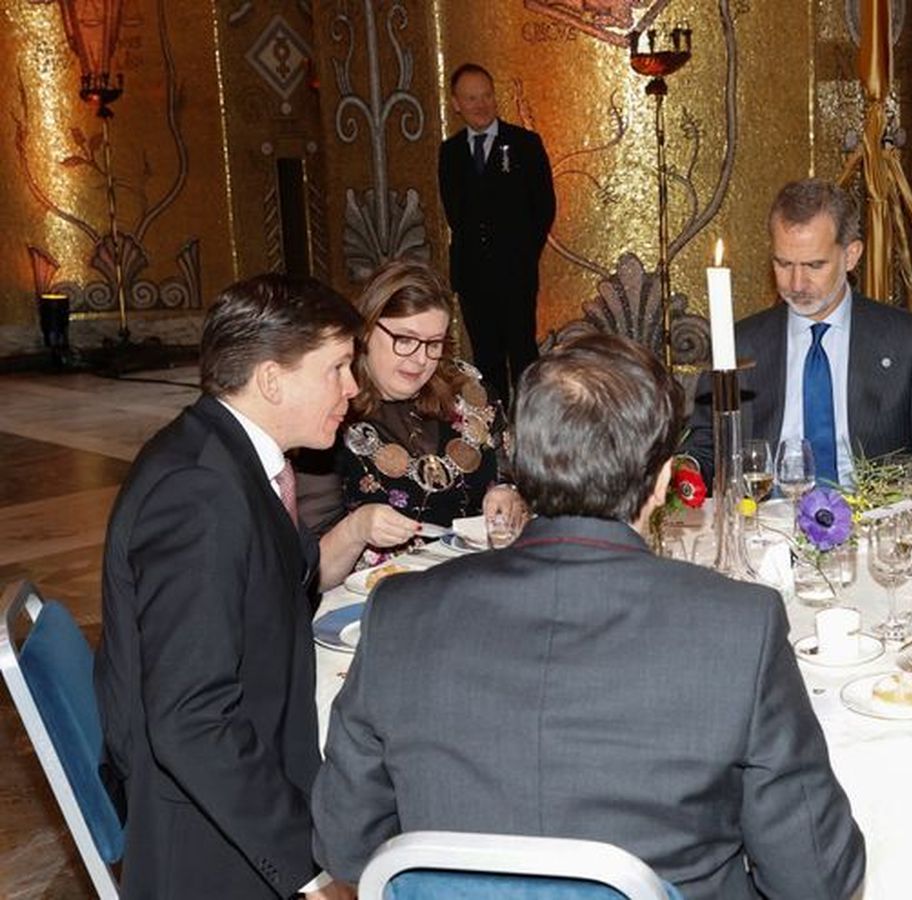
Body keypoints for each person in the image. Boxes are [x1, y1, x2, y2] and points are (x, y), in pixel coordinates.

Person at [312, 333, 866, 899]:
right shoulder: (739, 629)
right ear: (660, 483)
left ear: (521, 468)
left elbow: (346, 845)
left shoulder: (400, 613)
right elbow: (815, 879)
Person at [96, 275, 361, 899]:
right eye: (338, 368)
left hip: (256, 762)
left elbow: (275, 582)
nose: (352, 389)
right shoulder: (201, 495)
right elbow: (191, 721)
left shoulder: (230, 456)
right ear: (272, 379)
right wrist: (308, 867)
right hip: (209, 842)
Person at [687, 178, 912, 500]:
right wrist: (681, 471)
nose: (797, 283)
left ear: (851, 255)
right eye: (783, 263)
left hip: (870, 527)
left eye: (814, 265)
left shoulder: (910, 341)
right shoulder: (739, 344)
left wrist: (901, 496)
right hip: (765, 524)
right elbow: (706, 450)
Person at [305, 260, 524, 587]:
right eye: (405, 340)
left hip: (480, 587)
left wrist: (511, 495)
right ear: (366, 329)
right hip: (370, 611)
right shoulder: (328, 412)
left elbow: (517, 479)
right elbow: (309, 575)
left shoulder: (470, 392)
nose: (421, 359)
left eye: (434, 344)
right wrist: (356, 529)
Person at [438, 62, 557, 404]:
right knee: (486, 359)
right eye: (471, 98)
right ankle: (493, 434)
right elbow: (455, 213)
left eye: (487, 96)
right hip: (473, 275)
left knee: (522, 354)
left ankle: (531, 427)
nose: (481, 104)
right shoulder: (450, 152)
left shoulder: (525, 143)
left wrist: (521, 255)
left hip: (516, 274)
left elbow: (544, 207)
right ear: (457, 103)